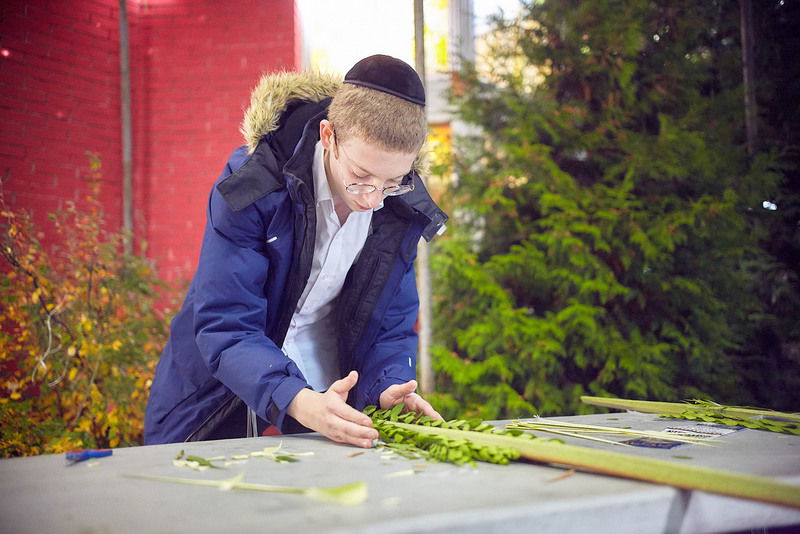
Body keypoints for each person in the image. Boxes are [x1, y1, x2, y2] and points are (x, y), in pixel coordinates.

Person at [144, 55, 448, 448]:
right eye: (360, 177)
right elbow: (226, 324)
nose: (374, 200)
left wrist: (387, 387)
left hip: (330, 405)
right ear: (328, 137)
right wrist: (296, 399)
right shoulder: (253, 186)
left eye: (392, 182)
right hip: (216, 403)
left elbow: (390, 325)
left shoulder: (396, 210)